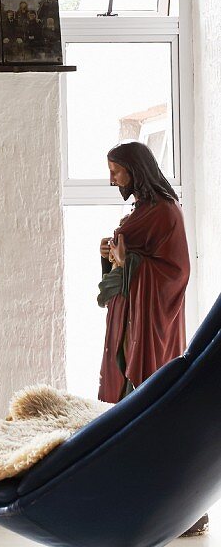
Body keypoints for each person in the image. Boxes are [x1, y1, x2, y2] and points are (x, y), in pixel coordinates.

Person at [97, 142, 189, 404]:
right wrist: (108, 255)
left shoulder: (166, 211)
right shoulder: (143, 209)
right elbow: (126, 258)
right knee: (120, 376)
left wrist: (131, 261)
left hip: (145, 318)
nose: (112, 180)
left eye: (116, 172)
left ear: (135, 170)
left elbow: (178, 271)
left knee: (138, 390)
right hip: (126, 312)